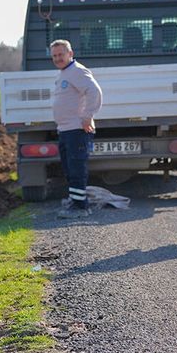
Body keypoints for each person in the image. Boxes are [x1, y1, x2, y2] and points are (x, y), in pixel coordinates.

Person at [50, 39, 103, 219]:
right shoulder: (63, 73)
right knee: (69, 168)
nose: (58, 58)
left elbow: (94, 91)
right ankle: (75, 199)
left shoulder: (77, 71)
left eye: (61, 54)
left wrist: (87, 116)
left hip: (77, 130)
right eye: (55, 55)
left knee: (77, 168)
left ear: (70, 54)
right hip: (65, 130)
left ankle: (81, 207)